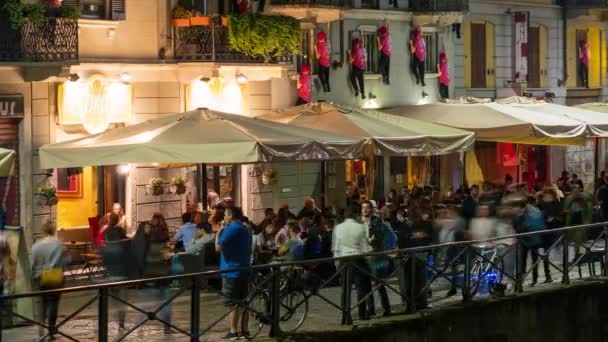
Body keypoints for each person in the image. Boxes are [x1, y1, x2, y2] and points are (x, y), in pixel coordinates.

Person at [215, 206, 252, 340]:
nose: (224, 217)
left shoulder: (230, 229)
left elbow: (218, 248)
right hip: (244, 268)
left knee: (232, 302)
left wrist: (218, 233)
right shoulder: (245, 228)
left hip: (231, 270)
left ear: (230, 215)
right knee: (244, 301)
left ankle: (233, 331)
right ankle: (245, 330)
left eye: (225, 214)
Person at [332, 210, 372, 321]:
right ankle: (362, 314)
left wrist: (337, 263)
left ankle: (346, 315)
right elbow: (364, 249)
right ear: (356, 216)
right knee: (361, 288)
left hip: (343, 259)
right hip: (358, 259)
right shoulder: (361, 227)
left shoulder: (338, 228)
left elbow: (336, 248)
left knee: (345, 289)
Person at [31, 221, 68, 340]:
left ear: (43, 230)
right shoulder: (59, 244)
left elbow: (33, 264)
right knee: (53, 303)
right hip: (55, 276)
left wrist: (34, 276)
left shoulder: (37, 245)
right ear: (53, 230)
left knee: (42, 303)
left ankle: (40, 331)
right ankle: (51, 331)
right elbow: (66, 261)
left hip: (41, 276)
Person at [361, 201, 391, 317]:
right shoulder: (360, 222)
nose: (365, 210)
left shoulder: (377, 221)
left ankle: (386, 308)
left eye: (367, 208)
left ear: (372, 210)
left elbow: (378, 236)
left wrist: (369, 239)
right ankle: (371, 309)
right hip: (365, 256)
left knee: (379, 283)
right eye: (363, 208)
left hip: (377, 257)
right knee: (366, 284)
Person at [348, 35, 366, 99]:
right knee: (361, 81)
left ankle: (356, 90)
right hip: (363, 68)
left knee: (352, 77)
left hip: (357, 68)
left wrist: (349, 53)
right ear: (358, 44)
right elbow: (363, 42)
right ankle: (363, 93)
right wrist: (361, 34)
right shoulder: (361, 49)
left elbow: (350, 61)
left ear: (354, 45)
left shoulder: (355, 51)